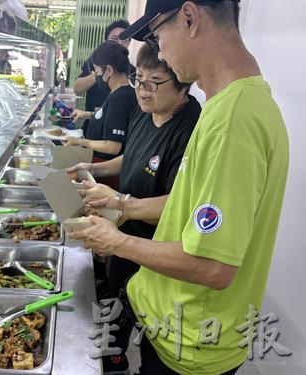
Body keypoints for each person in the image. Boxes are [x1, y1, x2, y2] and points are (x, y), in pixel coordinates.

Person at [70, 1, 289, 374]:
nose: (162, 52)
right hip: (172, 327)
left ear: (189, 18)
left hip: (189, 344)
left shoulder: (234, 121)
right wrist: (124, 206)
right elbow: (192, 209)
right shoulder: (230, 105)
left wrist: (117, 241)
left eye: (157, 35)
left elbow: (214, 267)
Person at [69, 43, 201, 374]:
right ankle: (114, 361)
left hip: (156, 249)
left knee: (147, 326)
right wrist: (95, 169)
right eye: (138, 78)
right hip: (123, 234)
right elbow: (133, 156)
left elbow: (183, 203)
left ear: (181, 81)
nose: (142, 89)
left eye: (153, 81)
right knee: (116, 303)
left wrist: (124, 206)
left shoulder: (190, 127)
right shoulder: (146, 113)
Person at [63, 41, 138, 190]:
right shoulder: (122, 92)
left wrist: (82, 142)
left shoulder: (120, 98)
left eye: (97, 72)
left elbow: (113, 146)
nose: (97, 77)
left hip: (107, 172)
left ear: (109, 70)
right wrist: (88, 114)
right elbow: (111, 117)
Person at [73, 20, 133, 136]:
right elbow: (77, 88)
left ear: (129, 44)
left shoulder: (133, 72)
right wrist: (99, 72)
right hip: (93, 129)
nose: (119, 44)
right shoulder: (93, 63)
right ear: (105, 41)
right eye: (115, 39)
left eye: (124, 40)